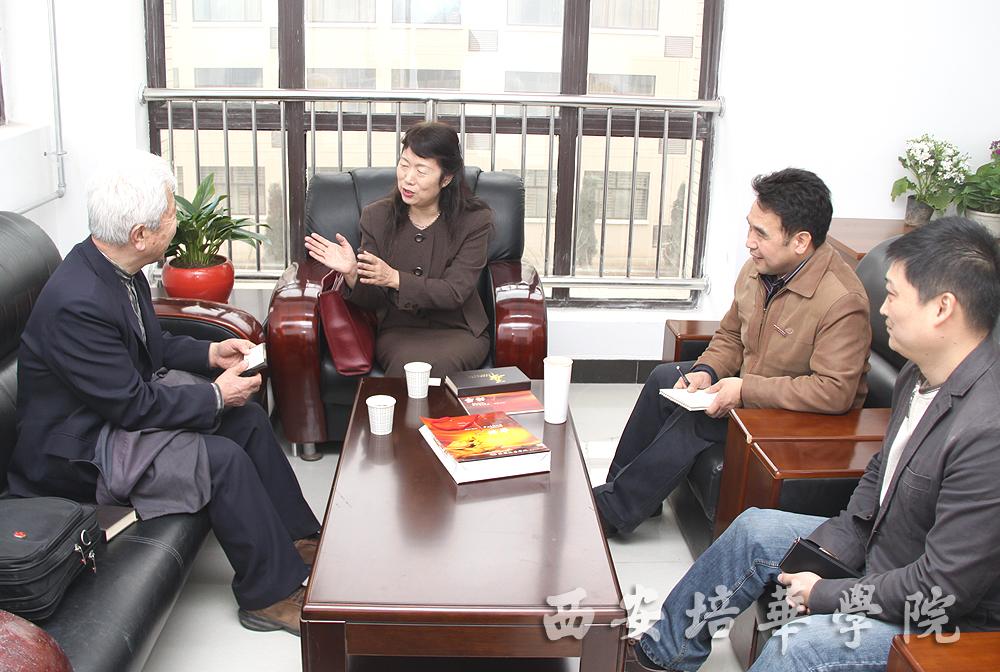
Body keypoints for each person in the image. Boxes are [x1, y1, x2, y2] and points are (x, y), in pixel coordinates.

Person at [625, 217, 1000, 672]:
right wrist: (838, 542)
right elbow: (881, 472)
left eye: (894, 295)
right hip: (884, 554)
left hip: (940, 619)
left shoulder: (987, 432)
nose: (883, 309)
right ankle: (661, 655)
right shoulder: (918, 374)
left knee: (802, 645)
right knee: (754, 531)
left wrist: (825, 592)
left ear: (942, 308)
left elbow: (942, 587)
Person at [6, 151, 321, 636]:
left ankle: (298, 538)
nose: (177, 221)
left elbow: (149, 345)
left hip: (112, 415)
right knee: (221, 460)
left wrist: (212, 354)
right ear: (140, 234)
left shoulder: (115, 268)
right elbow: (133, 405)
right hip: (79, 452)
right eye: (171, 214)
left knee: (248, 421)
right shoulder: (78, 302)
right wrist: (216, 396)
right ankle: (268, 595)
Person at [595, 168, 871, 536]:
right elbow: (731, 335)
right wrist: (707, 370)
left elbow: (834, 392)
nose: (749, 242)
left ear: (801, 241)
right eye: (749, 228)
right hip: (757, 391)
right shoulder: (758, 271)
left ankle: (611, 512)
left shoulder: (842, 301)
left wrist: (745, 390)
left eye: (761, 233)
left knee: (699, 419)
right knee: (665, 379)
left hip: (805, 420)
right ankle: (620, 490)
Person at [304, 121, 492, 378]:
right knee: (411, 369)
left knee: (436, 368)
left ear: (446, 178)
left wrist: (394, 278)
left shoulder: (475, 220)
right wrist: (352, 273)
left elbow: (454, 292)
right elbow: (373, 300)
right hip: (400, 330)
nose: (408, 178)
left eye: (421, 171)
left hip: (460, 329)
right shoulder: (376, 217)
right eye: (404, 165)